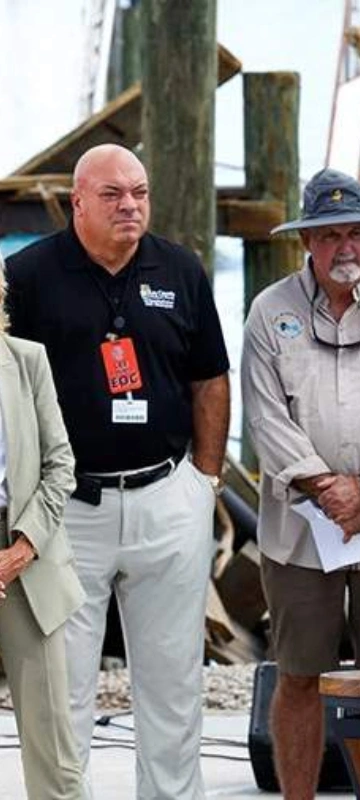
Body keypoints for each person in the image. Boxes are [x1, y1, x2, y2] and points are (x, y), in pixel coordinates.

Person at [5, 144, 230, 800]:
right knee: (62, 688)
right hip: (66, 510)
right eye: (112, 195)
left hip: (166, 495)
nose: (130, 205)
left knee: (172, 684)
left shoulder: (180, 270)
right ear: (77, 202)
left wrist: (206, 480)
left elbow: (211, 379)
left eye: (140, 192)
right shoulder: (28, 276)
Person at [241, 168, 360, 800]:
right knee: (300, 675)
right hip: (302, 529)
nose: (345, 246)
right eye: (330, 235)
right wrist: (330, 489)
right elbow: (263, 414)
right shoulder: (269, 311)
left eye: (357, 232)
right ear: (307, 243)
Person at [0, 254, 86, 800]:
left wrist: (24, 544)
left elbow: (61, 465)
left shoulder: (27, 360)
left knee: (53, 748)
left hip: (26, 558)